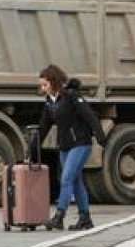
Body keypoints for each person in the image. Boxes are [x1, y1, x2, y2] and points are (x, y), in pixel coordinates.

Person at [36, 64, 107, 231]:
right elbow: (43, 127)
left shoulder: (71, 96)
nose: (42, 88)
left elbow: (89, 116)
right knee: (75, 181)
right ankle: (85, 218)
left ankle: (59, 216)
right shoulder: (49, 102)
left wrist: (101, 137)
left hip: (81, 143)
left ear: (54, 82)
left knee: (66, 178)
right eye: (41, 85)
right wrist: (33, 148)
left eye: (45, 85)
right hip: (65, 146)